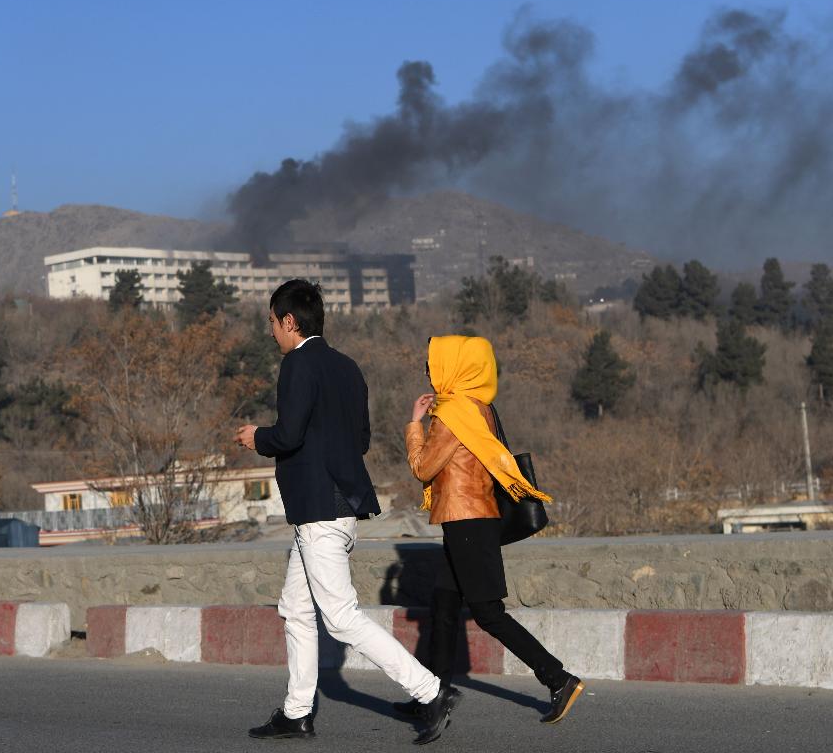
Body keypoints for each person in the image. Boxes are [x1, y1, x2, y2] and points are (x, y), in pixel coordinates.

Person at [234, 279, 461, 745]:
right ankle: (297, 713)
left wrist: (257, 436)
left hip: (317, 509)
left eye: (273, 323)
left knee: (338, 616)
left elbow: (290, 434)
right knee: (295, 608)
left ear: (289, 322)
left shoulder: (296, 365)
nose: (272, 333)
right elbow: (359, 441)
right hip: (336, 506)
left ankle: (431, 690)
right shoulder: (348, 367)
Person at [401, 335, 584, 724]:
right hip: (466, 519)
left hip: (467, 521)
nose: (428, 371)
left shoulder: (452, 414)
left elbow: (423, 468)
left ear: (455, 368)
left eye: (433, 365)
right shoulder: (479, 406)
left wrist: (414, 425)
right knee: (444, 607)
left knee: (488, 613)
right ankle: (433, 693)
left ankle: (558, 678)